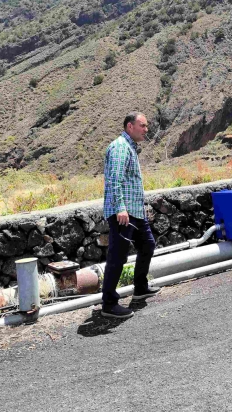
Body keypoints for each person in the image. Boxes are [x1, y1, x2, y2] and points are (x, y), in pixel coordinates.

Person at [101, 112, 161, 318]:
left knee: (148, 245)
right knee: (117, 257)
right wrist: (120, 208)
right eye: (142, 126)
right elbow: (114, 180)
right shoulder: (120, 147)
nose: (146, 130)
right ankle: (109, 303)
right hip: (123, 213)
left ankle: (140, 288)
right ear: (129, 127)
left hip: (135, 212)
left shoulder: (129, 147)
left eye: (146, 126)